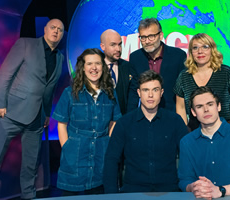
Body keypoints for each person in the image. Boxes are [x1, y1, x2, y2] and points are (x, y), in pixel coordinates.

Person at [0, 19, 64, 200]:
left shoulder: (59, 57)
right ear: (45, 29)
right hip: (10, 111)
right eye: (53, 28)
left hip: (36, 117)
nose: (56, 31)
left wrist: (47, 114)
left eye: (60, 29)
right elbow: (5, 72)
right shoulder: (26, 44)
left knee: (31, 162)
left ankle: (28, 194)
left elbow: (49, 90)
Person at [103, 70, 188, 193]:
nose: (150, 95)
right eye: (145, 90)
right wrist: (111, 195)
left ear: (161, 92)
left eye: (155, 90)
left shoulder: (175, 121)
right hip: (133, 191)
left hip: (169, 190)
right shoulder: (124, 123)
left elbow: (188, 156)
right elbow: (111, 159)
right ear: (139, 92)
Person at [52, 48, 121, 195]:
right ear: (83, 68)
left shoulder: (110, 93)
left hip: (100, 157)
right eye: (89, 64)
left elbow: (114, 121)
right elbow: (61, 125)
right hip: (75, 158)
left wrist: (108, 142)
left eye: (97, 63)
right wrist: (67, 148)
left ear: (103, 66)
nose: (94, 68)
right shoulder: (69, 93)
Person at [173, 33, 230, 131]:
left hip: (225, 130)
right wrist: (184, 134)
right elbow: (180, 108)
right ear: (191, 52)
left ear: (212, 50)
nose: (200, 51)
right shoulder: (184, 76)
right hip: (195, 132)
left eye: (205, 47)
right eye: (195, 48)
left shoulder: (226, 73)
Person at [127, 18, 186, 112]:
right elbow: (133, 91)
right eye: (143, 37)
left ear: (161, 35)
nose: (147, 41)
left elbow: (184, 90)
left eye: (151, 36)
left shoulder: (178, 56)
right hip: (146, 116)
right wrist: (130, 119)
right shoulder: (135, 58)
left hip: (172, 114)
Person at [100, 29, 132, 115]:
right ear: (103, 46)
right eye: (113, 45)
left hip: (123, 122)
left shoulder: (128, 67)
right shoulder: (95, 68)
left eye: (120, 44)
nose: (118, 49)